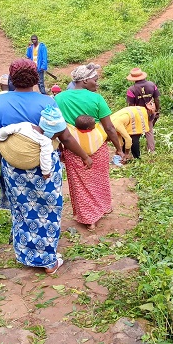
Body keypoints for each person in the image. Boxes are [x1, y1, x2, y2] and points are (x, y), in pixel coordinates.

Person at [0, 59, 92, 274]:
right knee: (48, 209)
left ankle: (26, 252)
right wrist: (84, 156)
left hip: (14, 167)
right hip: (45, 168)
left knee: (23, 208)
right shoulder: (47, 102)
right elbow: (66, 137)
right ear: (35, 78)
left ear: (12, 78)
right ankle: (48, 260)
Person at [55, 63, 125, 231]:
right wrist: (119, 148)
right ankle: (101, 208)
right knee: (99, 180)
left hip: (73, 148)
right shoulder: (97, 99)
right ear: (85, 81)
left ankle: (89, 218)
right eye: (95, 79)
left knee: (80, 183)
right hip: (97, 147)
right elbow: (109, 128)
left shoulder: (59, 98)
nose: (97, 83)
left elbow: (56, 127)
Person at [0, 106, 66, 179]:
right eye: (56, 135)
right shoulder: (45, 141)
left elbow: (7, 130)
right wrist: (46, 172)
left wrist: (0, 137)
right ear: (50, 133)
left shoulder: (26, 125)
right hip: (32, 173)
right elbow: (45, 157)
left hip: (13, 170)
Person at [125, 67, 160, 152]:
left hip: (138, 113)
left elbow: (131, 105)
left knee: (136, 132)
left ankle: (135, 151)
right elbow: (157, 99)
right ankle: (151, 150)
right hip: (150, 111)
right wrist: (157, 110)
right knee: (149, 131)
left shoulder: (131, 90)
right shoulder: (152, 85)